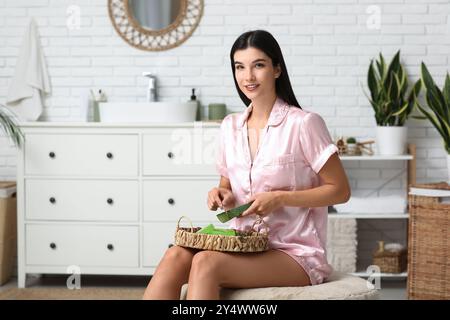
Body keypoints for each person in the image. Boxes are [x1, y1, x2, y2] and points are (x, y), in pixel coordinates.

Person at [143, 30, 350, 300]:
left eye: (258, 65)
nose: (248, 77)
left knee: (206, 262)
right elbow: (227, 183)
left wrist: (280, 198)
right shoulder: (231, 126)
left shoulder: (304, 124)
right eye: (240, 67)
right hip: (243, 244)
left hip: (294, 252)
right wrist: (222, 194)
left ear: (277, 69)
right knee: (175, 255)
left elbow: (340, 190)